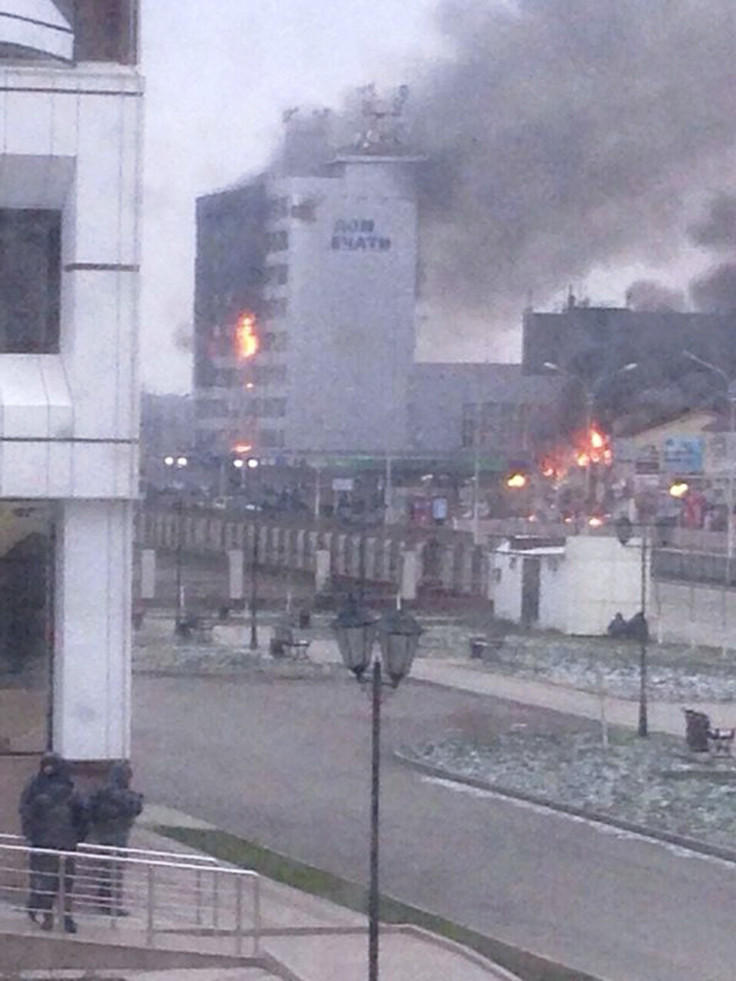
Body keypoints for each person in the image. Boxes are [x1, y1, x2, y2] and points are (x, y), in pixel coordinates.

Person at [19, 752, 88, 933]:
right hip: (45, 843)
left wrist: (77, 836)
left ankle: (63, 917)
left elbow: (81, 816)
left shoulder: (69, 789)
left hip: (62, 844)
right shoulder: (36, 787)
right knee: (47, 882)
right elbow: (25, 812)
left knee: (63, 882)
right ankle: (49, 916)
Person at [86, 761, 143, 915]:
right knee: (113, 872)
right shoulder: (124, 796)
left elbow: (89, 809)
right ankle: (109, 904)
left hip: (102, 835)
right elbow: (136, 807)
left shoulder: (100, 793)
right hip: (117, 838)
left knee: (107, 871)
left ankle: (104, 901)